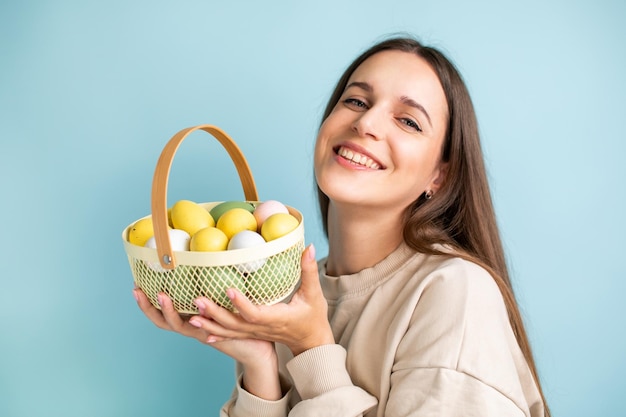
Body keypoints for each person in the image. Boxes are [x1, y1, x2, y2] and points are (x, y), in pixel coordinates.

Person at [134, 35, 551, 416]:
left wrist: (312, 347)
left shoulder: (455, 292)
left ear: (438, 176)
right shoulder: (288, 296)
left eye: (408, 121)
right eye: (356, 101)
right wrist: (261, 362)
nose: (366, 124)